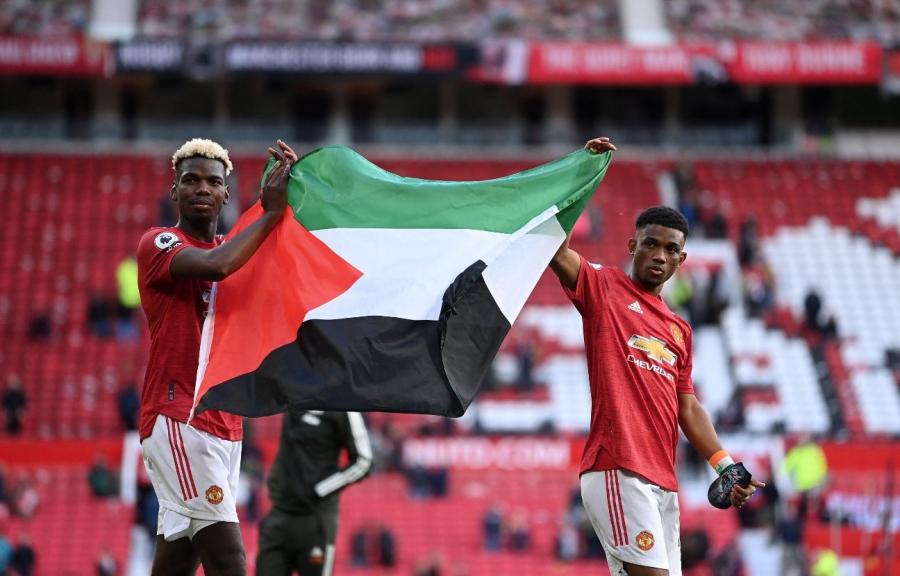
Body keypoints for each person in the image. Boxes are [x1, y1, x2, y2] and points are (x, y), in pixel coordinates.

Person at [550, 138, 764, 576]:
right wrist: (582, 175)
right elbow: (556, 250)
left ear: (681, 259)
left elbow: (688, 406)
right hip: (618, 468)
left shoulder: (679, 330)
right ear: (633, 246)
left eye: (670, 250)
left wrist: (724, 465)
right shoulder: (604, 288)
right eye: (651, 244)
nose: (659, 256)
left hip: (663, 482)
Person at [137, 137, 298, 576]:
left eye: (212, 182)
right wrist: (268, 213)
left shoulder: (235, 246)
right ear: (174, 191)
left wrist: (295, 190)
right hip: (178, 417)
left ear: (227, 193)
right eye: (191, 180)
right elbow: (217, 267)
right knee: (228, 559)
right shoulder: (160, 242)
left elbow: (281, 261)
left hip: (226, 422)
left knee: (178, 558)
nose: (202, 189)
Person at [256, 410, 372, 576]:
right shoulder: (294, 398)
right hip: (279, 513)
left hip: (316, 520)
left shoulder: (344, 408)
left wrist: (321, 489)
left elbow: (364, 461)